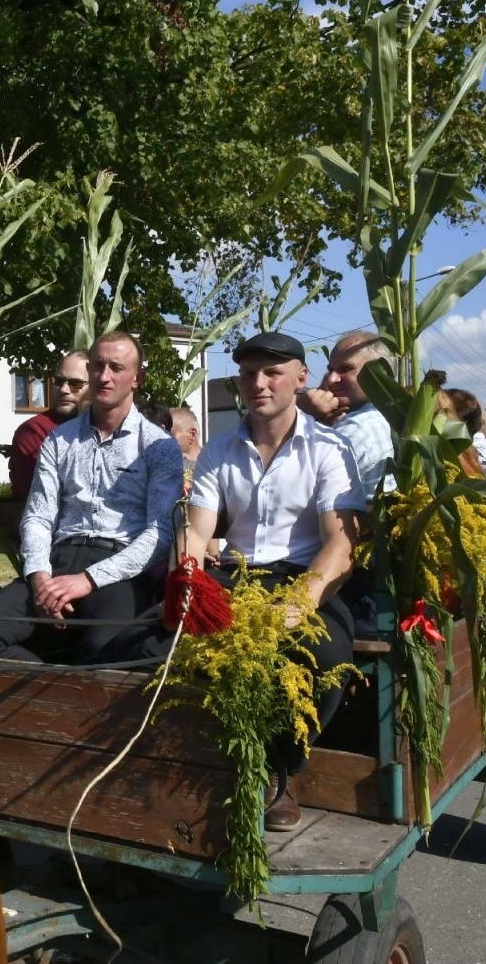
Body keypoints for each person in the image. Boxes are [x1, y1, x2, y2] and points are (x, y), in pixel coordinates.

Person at [181, 331, 363, 831]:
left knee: (328, 657)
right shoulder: (218, 451)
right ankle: (202, 762)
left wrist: (301, 601)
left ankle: (283, 769)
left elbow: (342, 542)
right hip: (236, 576)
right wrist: (187, 581)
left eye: (271, 373)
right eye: (248, 374)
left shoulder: (330, 449)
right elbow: (196, 532)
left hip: (305, 578)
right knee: (171, 645)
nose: (258, 384)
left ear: (300, 378)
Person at [0, 331, 184, 665]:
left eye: (117, 367)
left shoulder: (158, 446)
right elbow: (38, 515)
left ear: (138, 378)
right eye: (98, 366)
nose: (104, 376)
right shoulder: (59, 440)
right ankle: (46, 686)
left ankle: (58, 689)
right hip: (58, 561)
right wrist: (39, 578)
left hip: (118, 571)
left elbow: (161, 532)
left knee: (104, 655)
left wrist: (88, 580)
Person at [297, 330, 395, 501]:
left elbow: (291, 485)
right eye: (330, 370)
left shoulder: (356, 429)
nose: (331, 379)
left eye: (346, 369)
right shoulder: (389, 415)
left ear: (380, 372)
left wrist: (301, 416)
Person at [8, 350, 91, 500]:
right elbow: (33, 498)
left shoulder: (116, 429)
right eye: (58, 381)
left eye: (75, 384)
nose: (64, 390)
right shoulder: (34, 432)